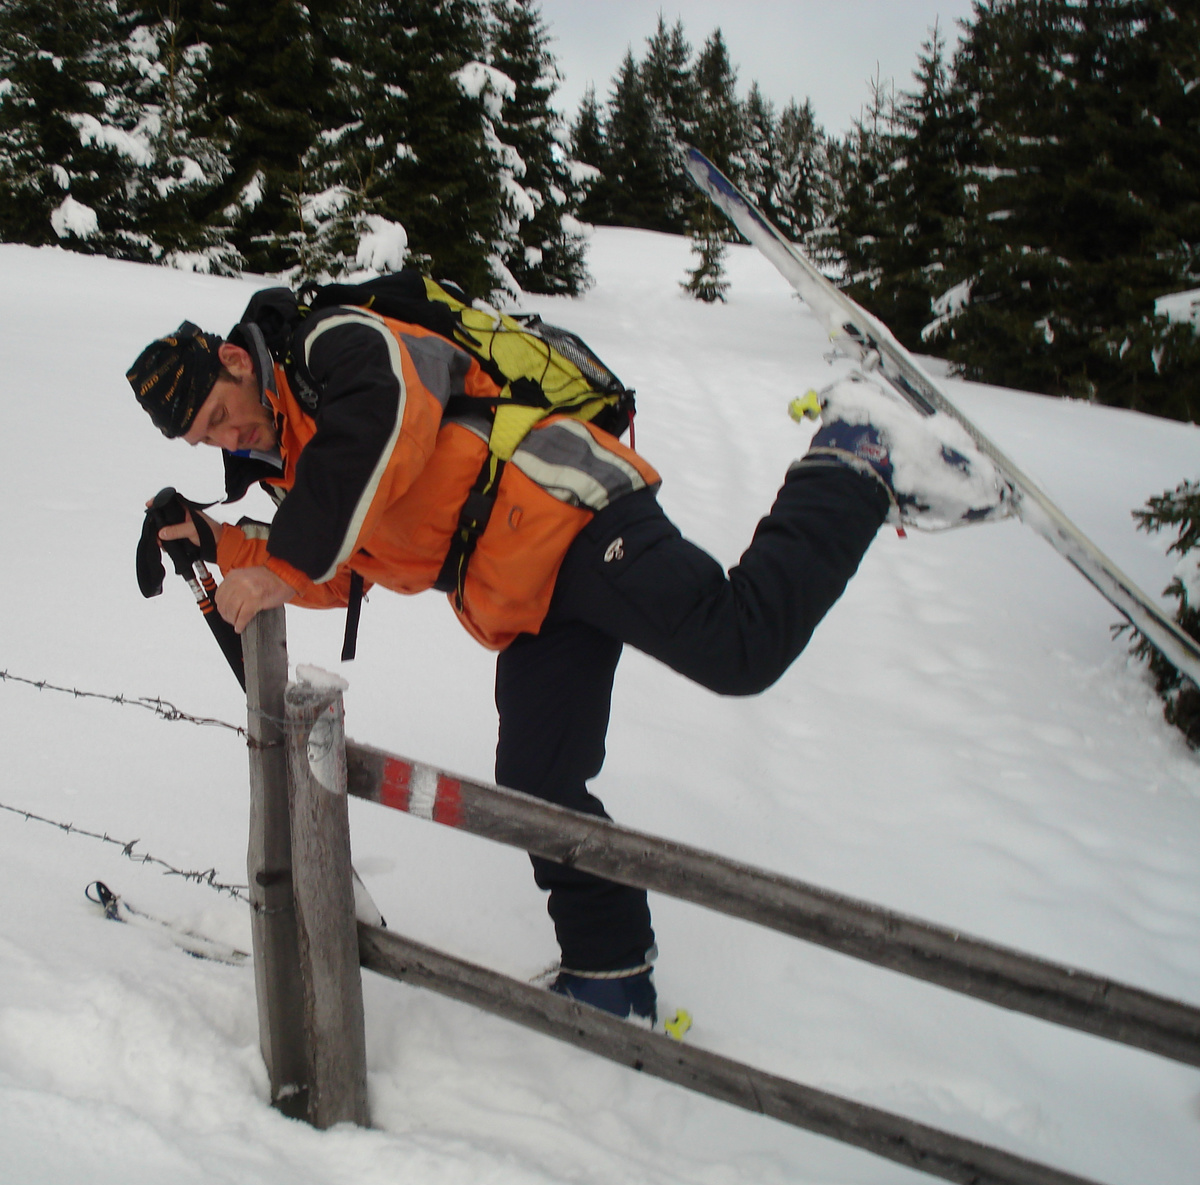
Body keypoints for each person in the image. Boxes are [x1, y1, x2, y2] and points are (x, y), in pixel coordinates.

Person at [127, 289, 1003, 1026]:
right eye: (202, 441)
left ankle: (854, 450)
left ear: (234, 363)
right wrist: (219, 540)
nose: (221, 439)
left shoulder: (335, 346)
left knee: (738, 645)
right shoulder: (298, 460)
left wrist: (279, 562)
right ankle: (611, 974)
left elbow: (385, 427)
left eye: (214, 417)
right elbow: (341, 564)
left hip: (570, 515)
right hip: (520, 594)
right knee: (538, 785)